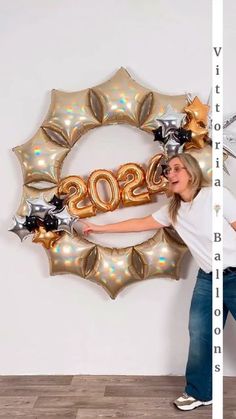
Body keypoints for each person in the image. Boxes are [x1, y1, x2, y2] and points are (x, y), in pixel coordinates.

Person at [80, 153, 236, 411]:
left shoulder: (215, 196)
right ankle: (200, 392)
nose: (170, 174)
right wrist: (98, 228)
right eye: (167, 170)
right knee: (200, 333)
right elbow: (140, 223)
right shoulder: (173, 210)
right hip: (208, 278)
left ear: (191, 172)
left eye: (177, 168)